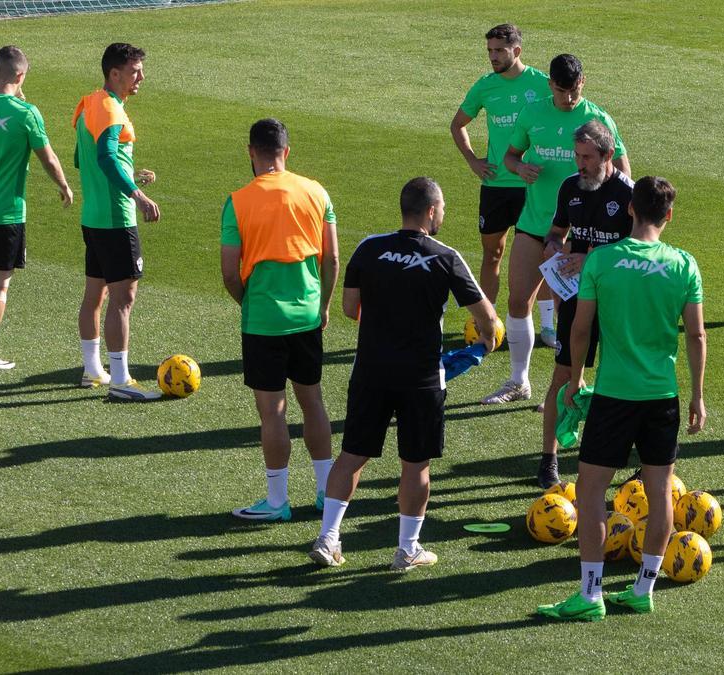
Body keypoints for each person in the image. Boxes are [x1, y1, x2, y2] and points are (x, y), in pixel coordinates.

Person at [536, 176, 705, 621]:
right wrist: (698, 396)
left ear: (630, 209)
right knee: (660, 493)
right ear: (669, 215)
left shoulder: (603, 261)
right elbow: (696, 335)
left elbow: (579, 328)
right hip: (662, 396)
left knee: (591, 491)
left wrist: (575, 378)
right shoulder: (684, 265)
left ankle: (590, 596)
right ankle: (642, 588)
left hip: (613, 395)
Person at [310, 178, 498, 571]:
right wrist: (485, 340)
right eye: (443, 207)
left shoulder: (369, 247)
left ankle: (328, 539)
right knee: (416, 465)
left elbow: (349, 307)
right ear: (431, 211)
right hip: (422, 378)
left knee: (351, 456)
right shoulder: (446, 257)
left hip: (371, 371)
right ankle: (407, 549)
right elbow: (487, 318)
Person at [482, 53, 629, 405]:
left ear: (583, 83)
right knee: (519, 301)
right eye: (561, 91)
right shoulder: (532, 113)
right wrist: (519, 169)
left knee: (577, 316)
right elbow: (510, 155)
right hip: (536, 226)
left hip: (584, 236)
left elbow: (624, 174)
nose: (568, 98)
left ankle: (567, 387)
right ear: (550, 85)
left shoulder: (598, 119)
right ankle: (519, 381)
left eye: (574, 91)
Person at [220, 118, 339, 521]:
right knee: (314, 403)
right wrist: (322, 306)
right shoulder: (316, 192)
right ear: (286, 152)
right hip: (307, 316)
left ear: (251, 152)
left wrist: (248, 304)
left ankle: (277, 502)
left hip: (263, 320)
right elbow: (333, 258)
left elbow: (229, 273)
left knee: (272, 413)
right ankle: (326, 493)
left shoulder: (237, 201)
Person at [0, 46, 73, 371]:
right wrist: (64, 186)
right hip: (6, 212)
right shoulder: (27, 114)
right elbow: (48, 158)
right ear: (21, 76)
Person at [536, 120, 633, 488]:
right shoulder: (569, 188)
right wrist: (553, 249)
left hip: (617, 299)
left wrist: (592, 254)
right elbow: (557, 232)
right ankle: (548, 459)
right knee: (563, 377)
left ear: (608, 156)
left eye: (588, 157)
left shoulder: (627, 195)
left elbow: (637, 249)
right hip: (578, 297)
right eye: (577, 156)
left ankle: (618, 451)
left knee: (619, 375)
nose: (580, 165)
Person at [72, 42, 161, 399]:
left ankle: (94, 372)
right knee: (123, 298)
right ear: (115, 74)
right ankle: (122, 381)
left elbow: (83, 160)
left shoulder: (89, 103)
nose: (141, 77)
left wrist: (130, 174)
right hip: (115, 221)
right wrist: (136, 195)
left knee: (95, 294)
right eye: (135, 70)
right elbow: (106, 158)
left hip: (93, 217)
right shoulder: (111, 110)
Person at [450, 24, 551, 312]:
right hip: (495, 184)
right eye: (489, 51)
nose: (492, 57)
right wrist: (472, 160)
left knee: (541, 256)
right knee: (492, 253)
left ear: (516, 51)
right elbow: (458, 124)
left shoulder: (541, 84)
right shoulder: (485, 86)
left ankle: (545, 324)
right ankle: (487, 318)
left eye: (499, 50)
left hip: (532, 187)